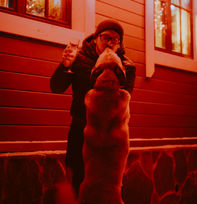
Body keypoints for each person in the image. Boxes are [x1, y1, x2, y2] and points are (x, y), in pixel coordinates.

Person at [50, 19, 136, 196]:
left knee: (110, 186)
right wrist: (65, 66)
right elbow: (56, 87)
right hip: (80, 131)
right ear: (96, 38)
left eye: (116, 40)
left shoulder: (126, 66)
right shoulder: (78, 58)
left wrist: (115, 69)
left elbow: (122, 100)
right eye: (106, 37)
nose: (110, 43)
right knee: (78, 182)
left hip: (111, 134)